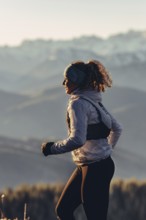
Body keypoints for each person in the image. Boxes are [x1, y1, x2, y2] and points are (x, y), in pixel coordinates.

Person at [41, 60, 122, 220]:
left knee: (87, 215)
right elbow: (117, 128)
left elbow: (77, 140)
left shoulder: (78, 104)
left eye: (67, 78)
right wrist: (107, 152)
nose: (63, 82)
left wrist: (51, 148)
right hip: (94, 165)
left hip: (94, 168)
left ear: (76, 81)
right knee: (64, 210)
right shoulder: (94, 101)